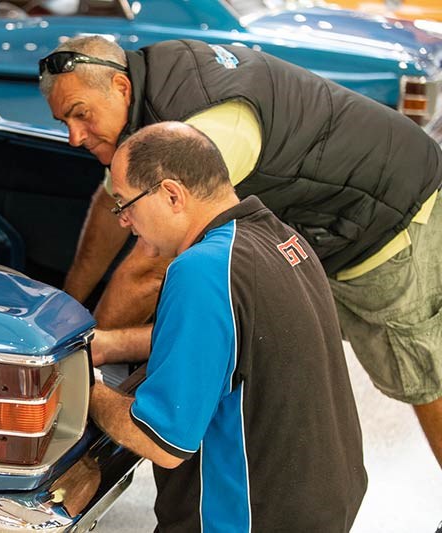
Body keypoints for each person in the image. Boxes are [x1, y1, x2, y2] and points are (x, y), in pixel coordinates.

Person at [38, 35, 442, 467]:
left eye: (80, 116)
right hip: (326, 222)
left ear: (120, 87)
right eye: (64, 122)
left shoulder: (206, 123)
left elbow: (148, 269)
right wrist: (72, 306)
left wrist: (77, 356)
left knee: (419, 373)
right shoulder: (149, 88)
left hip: (388, 214)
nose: (73, 137)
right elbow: (108, 206)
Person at [89, 121, 367, 531]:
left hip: (247, 518)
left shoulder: (201, 269)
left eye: (124, 204)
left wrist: (84, 390)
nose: (124, 221)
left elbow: (163, 439)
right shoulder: (281, 241)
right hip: (321, 504)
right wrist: (112, 345)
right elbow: (239, 345)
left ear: (171, 194)